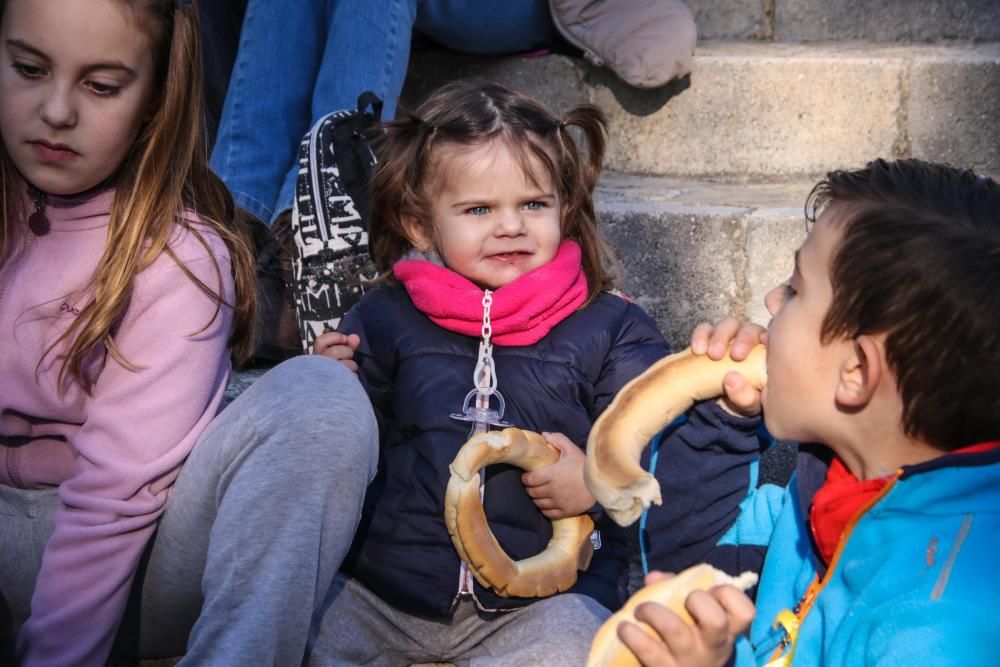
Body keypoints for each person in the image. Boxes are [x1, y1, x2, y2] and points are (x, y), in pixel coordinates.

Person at [307, 79, 755, 665]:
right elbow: (348, 451)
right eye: (478, 210)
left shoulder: (610, 326)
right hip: (386, 594)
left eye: (533, 205)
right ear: (419, 224)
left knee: (577, 643)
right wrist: (326, 383)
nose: (511, 226)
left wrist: (597, 481)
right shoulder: (385, 316)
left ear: (564, 207)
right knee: (306, 630)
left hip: (543, 606)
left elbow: (659, 447)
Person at [0, 1, 376, 666]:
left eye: (102, 85)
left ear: (154, 97)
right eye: (29, 68)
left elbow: (110, 504)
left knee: (322, 398)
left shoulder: (179, 256)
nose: (57, 110)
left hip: (127, 564)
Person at [616, 159, 1000, 666]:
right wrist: (723, 425)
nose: (772, 300)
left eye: (796, 290)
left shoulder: (942, 623)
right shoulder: (816, 499)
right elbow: (688, 572)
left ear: (857, 373)